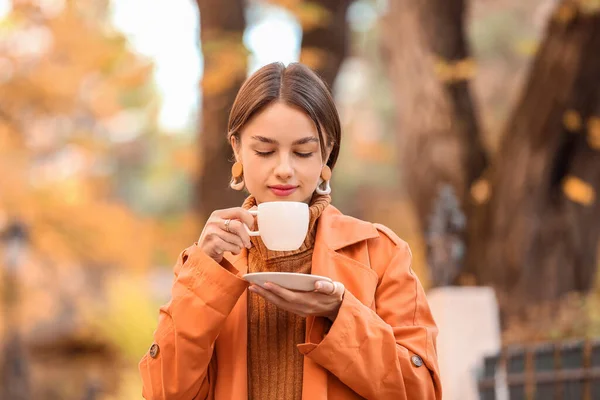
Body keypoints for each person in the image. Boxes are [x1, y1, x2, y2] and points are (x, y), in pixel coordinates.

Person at [139, 62, 442, 400]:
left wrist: (339, 313)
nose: (284, 169)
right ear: (237, 148)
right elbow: (165, 393)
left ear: (326, 152)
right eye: (265, 150)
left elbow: (421, 392)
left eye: (303, 152)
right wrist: (203, 272)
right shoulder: (211, 261)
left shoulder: (380, 253)